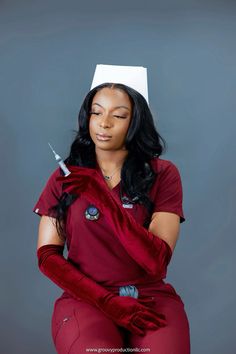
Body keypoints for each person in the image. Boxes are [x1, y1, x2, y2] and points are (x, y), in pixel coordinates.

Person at [33, 64, 191, 354]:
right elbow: (47, 256)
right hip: (87, 301)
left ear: (135, 122)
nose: (104, 123)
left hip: (150, 299)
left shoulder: (163, 174)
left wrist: (104, 200)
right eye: (96, 112)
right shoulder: (65, 178)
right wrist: (106, 301)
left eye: (118, 115)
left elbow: (156, 262)